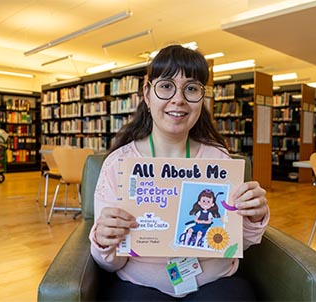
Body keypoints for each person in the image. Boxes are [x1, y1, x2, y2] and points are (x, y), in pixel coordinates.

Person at [89, 45, 270, 300]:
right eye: (166, 86)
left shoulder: (218, 160)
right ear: (147, 94)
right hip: (140, 286)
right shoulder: (118, 165)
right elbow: (111, 264)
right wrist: (104, 239)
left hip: (214, 283)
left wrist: (253, 216)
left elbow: (238, 242)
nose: (178, 99)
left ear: (201, 99)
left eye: (192, 88)